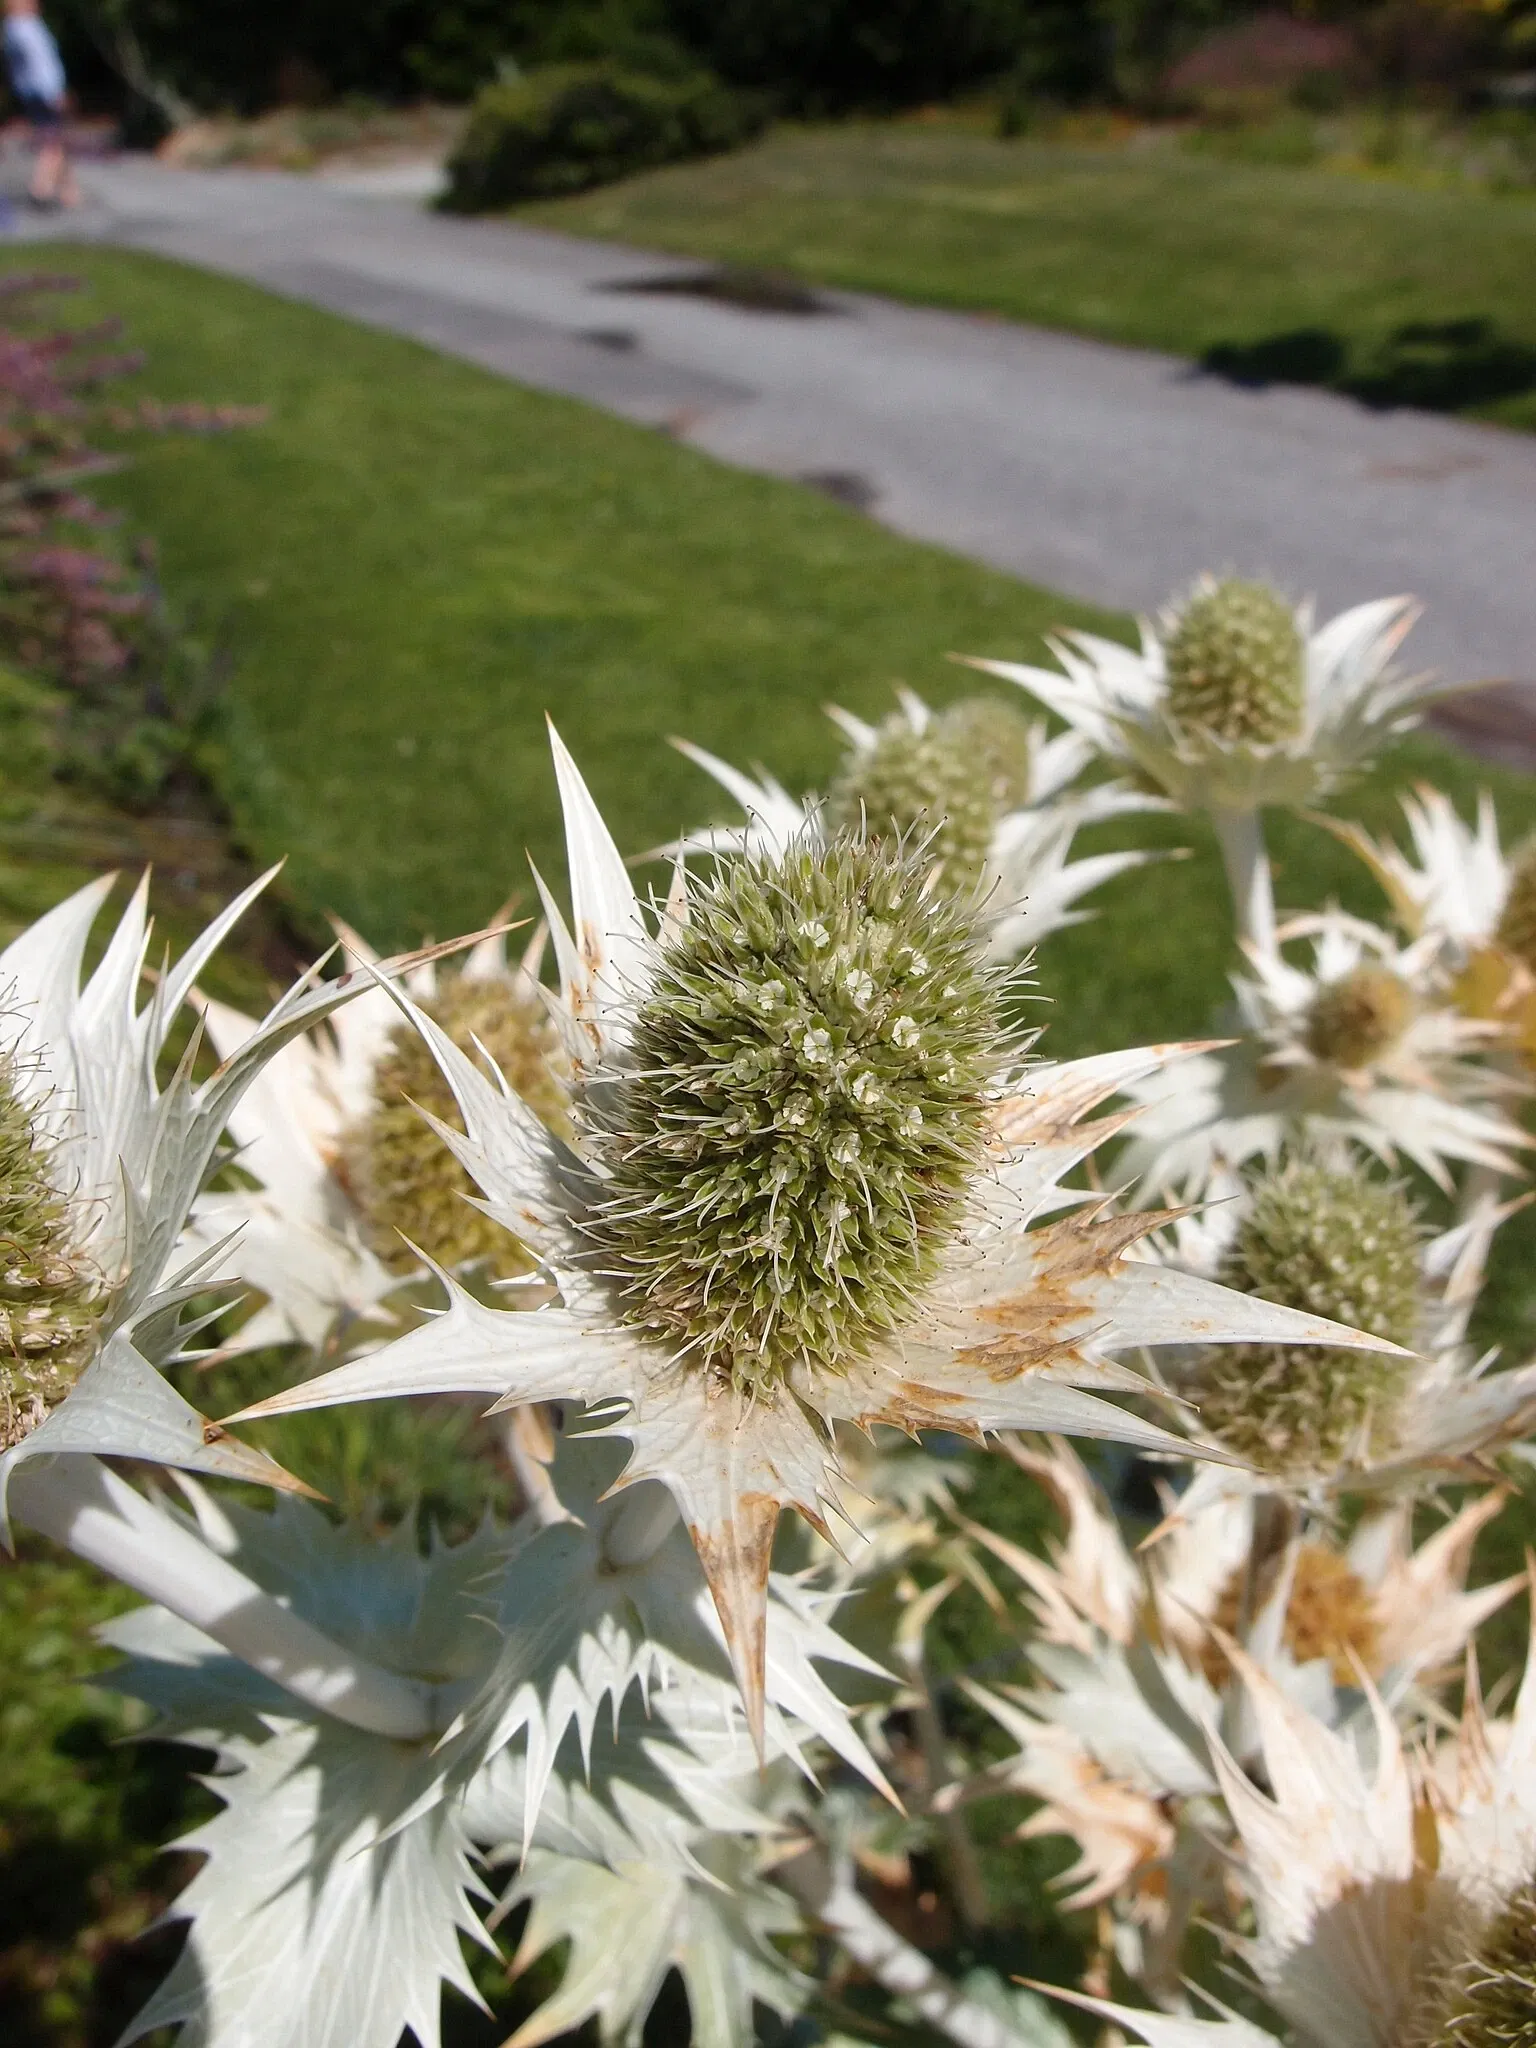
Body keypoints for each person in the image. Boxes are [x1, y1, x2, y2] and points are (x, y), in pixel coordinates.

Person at [4, 0, 78, 208]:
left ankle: (69, 191)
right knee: (52, 142)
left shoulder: (11, 28)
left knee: (56, 139)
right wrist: (55, 92)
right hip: (45, 91)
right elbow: (42, 62)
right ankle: (41, 187)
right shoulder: (27, 27)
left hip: (29, 91)